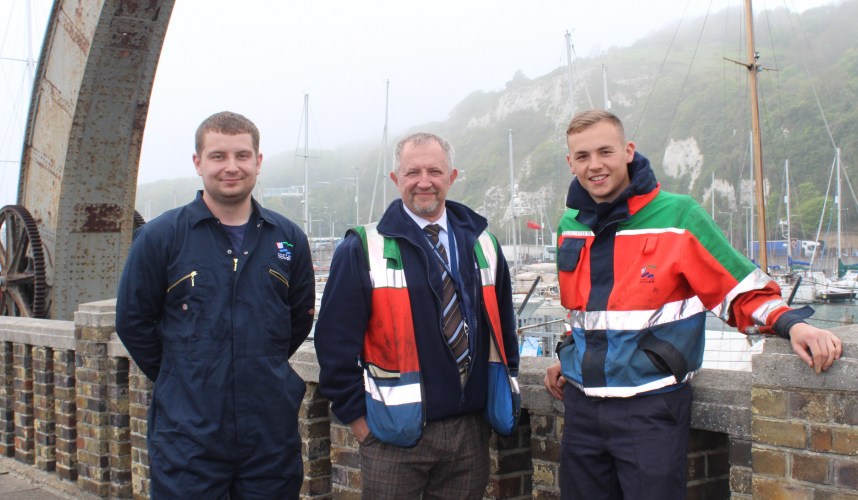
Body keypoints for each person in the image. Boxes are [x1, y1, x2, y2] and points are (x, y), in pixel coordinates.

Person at [544, 109, 842, 499]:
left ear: (628, 151)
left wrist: (792, 324)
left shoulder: (679, 215)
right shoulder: (570, 225)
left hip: (650, 407)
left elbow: (738, 289)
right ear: (570, 162)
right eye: (582, 156)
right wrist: (572, 352)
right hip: (581, 407)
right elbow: (584, 310)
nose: (594, 165)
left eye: (605, 152)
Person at [115, 111, 315, 498]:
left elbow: (298, 319)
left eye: (242, 155)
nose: (231, 167)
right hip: (187, 435)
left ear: (258, 161)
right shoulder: (160, 237)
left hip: (269, 433)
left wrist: (256, 363)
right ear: (198, 162)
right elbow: (132, 322)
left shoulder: (288, 238)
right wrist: (182, 374)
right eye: (218, 156)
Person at [315, 132, 520, 499]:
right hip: (392, 440)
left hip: (469, 435)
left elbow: (505, 331)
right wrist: (361, 424)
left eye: (434, 171)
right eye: (413, 172)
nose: (424, 182)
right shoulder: (362, 248)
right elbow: (333, 345)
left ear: (451, 177)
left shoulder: (484, 243)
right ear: (396, 179)